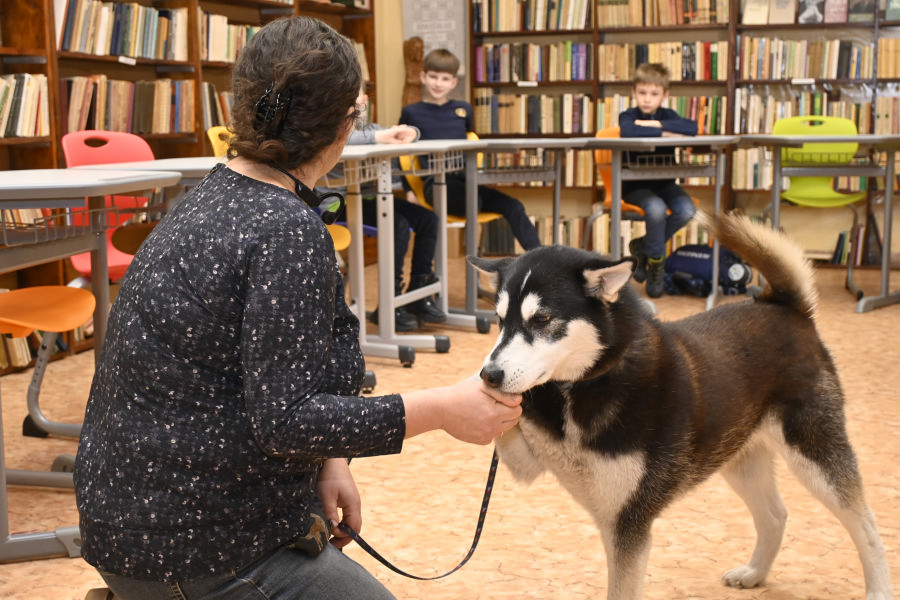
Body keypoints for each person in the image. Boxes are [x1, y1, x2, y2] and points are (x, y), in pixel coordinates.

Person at [72, 17, 522, 600]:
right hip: (195, 547)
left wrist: (332, 460)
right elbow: (285, 421)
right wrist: (442, 408)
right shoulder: (285, 228)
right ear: (343, 126)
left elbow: (277, 382)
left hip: (129, 527)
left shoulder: (210, 194)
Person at [318, 87, 445, 332]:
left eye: (357, 96)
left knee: (428, 219)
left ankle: (418, 292)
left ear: (365, 101)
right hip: (337, 205)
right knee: (395, 224)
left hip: (366, 199)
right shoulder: (326, 129)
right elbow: (341, 138)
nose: (353, 102)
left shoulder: (369, 129)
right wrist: (383, 137)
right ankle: (391, 302)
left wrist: (410, 131)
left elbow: (393, 133)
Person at [399, 48, 542, 252]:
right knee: (474, 200)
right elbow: (400, 154)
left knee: (514, 206)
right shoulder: (410, 112)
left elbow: (470, 142)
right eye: (433, 77)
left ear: (454, 82)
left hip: (467, 181)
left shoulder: (463, 109)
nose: (438, 83)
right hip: (436, 184)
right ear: (423, 77)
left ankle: (541, 258)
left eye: (445, 78)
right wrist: (409, 190)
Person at [619, 62, 698, 298]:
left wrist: (655, 125)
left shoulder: (667, 115)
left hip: (665, 184)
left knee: (687, 210)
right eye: (642, 93)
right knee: (656, 210)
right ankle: (655, 263)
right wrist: (667, 133)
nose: (647, 99)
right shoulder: (629, 116)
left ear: (665, 95)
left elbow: (691, 128)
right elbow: (628, 130)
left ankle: (642, 247)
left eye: (654, 94)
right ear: (634, 93)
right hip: (634, 186)